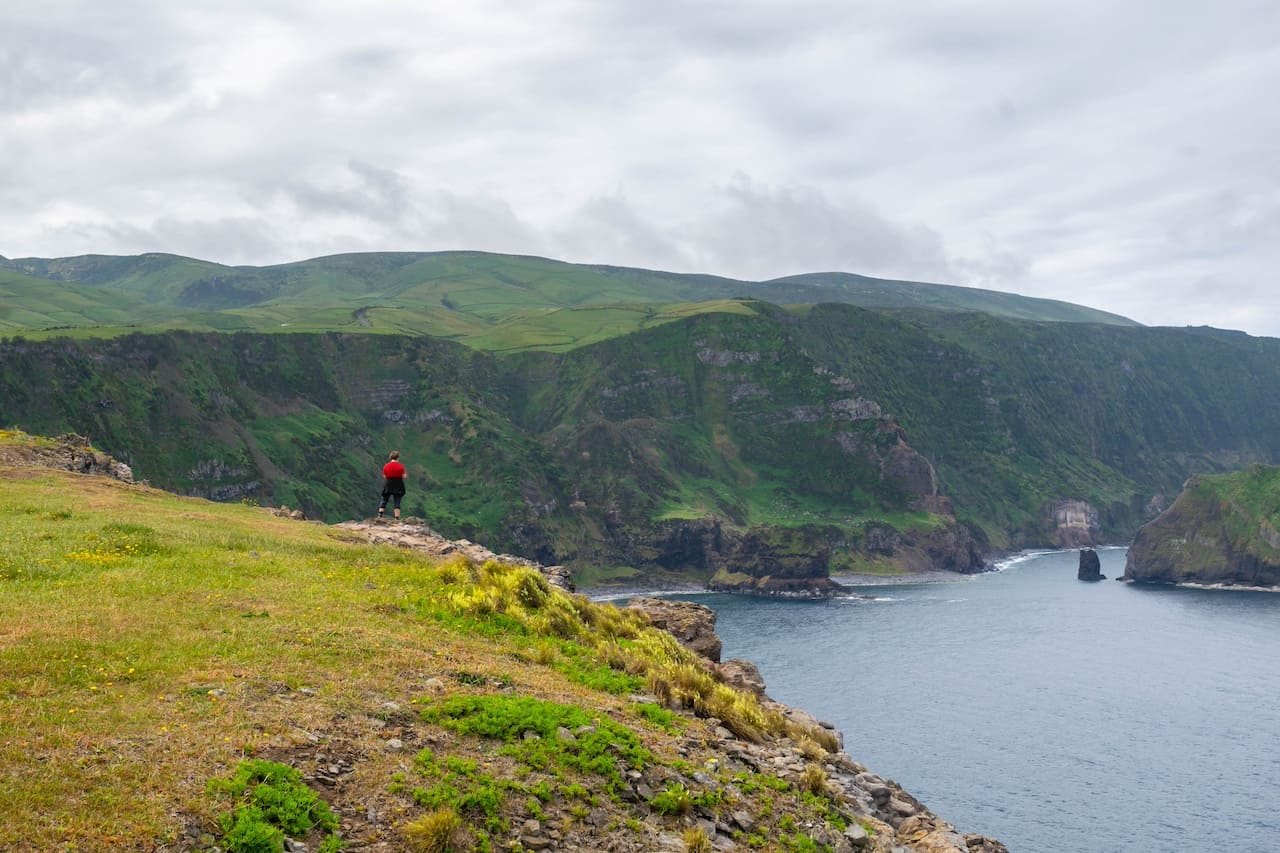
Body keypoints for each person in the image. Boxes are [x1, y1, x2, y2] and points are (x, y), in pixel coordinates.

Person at [377, 450, 407, 520]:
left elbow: (384, 476)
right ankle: (397, 517)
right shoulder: (400, 466)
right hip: (398, 485)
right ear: (398, 458)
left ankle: (380, 515)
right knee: (397, 501)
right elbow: (404, 476)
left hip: (388, 484)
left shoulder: (386, 466)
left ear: (391, 458)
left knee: (384, 499)